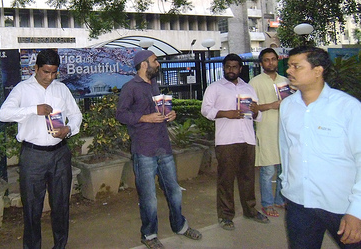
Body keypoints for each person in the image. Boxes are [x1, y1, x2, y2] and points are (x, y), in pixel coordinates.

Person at [116, 49, 202, 249]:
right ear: (144, 64)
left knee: (174, 191)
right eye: (155, 61)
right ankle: (149, 235)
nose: (158, 64)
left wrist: (170, 114)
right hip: (144, 150)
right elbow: (121, 115)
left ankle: (180, 226)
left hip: (163, 147)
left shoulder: (154, 85)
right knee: (149, 197)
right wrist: (144, 118)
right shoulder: (130, 88)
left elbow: (161, 110)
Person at [0, 49, 82, 249]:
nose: (49, 77)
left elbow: (76, 114)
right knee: (32, 208)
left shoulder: (61, 89)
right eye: (45, 72)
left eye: (54, 73)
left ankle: (60, 245)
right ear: (35, 68)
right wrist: (33, 110)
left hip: (60, 154)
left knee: (61, 205)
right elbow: (3, 114)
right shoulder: (22, 89)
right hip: (33, 156)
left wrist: (68, 129)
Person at [279, 46, 361, 249]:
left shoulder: (348, 107)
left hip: (341, 204)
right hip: (300, 204)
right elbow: (286, 149)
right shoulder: (287, 106)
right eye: (289, 66)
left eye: (296, 66)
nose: (289, 71)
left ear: (318, 71)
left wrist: (357, 211)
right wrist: (287, 186)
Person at [201, 53, 269, 230]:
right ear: (224, 68)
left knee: (248, 178)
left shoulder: (248, 88)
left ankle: (250, 210)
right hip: (226, 140)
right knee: (226, 179)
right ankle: (225, 216)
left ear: (240, 69)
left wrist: (255, 111)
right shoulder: (215, 87)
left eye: (235, 67)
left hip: (247, 138)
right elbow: (205, 110)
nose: (231, 70)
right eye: (228, 66)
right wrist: (226, 113)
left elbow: (258, 115)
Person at [249, 48, 287, 218]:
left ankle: (280, 199)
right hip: (266, 130)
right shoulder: (254, 83)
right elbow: (251, 108)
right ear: (261, 63)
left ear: (277, 60)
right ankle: (267, 203)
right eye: (266, 60)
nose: (270, 62)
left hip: (285, 130)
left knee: (284, 170)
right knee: (267, 171)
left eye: (273, 59)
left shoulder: (286, 81)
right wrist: (272, 105)